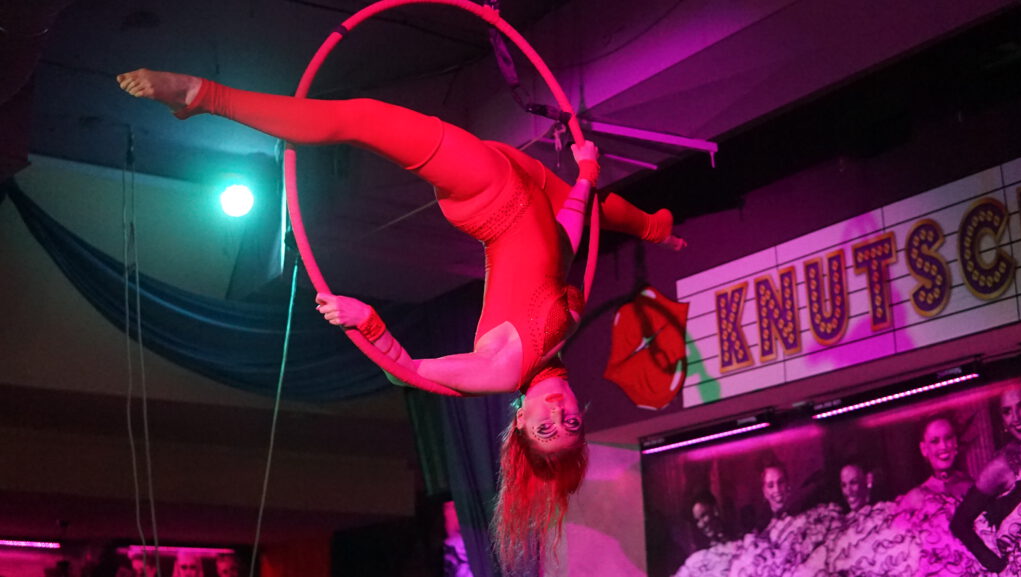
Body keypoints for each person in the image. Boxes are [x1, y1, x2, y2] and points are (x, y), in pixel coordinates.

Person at [116, 68, 682, 575]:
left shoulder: (504, 370)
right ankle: (654, 226)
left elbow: (407, 372)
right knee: (597, 208)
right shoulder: (560, 340)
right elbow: (562, 247)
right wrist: (584, 177)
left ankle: (202, 96)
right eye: (571, 424)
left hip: (494, 194)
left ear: (519, 424)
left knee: (361, 118)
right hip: (530, 188)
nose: (557, 414)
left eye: (545, 430)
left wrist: (368, 322)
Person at [896, 414, 989, 577]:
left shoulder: (973, 487)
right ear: (924, 449)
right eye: (935, 441)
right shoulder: (914, 499)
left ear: (956, 443)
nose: (943, 446)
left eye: (948, 438)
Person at [952, 383, 1021, 575]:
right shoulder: (1001, 466)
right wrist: (998, 566)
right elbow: (960, 524)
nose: (1016, 418)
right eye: (1007, 412)